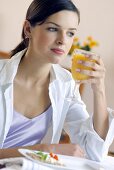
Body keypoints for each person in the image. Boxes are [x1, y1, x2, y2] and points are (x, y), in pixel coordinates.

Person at [0, 0, 114, 162]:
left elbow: (94, 151)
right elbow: (45, 151)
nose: (63, 40)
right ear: (28, 29)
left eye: (70, 33)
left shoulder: (65, 83)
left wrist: (99, 89)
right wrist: (44, 150)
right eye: (53, 29)